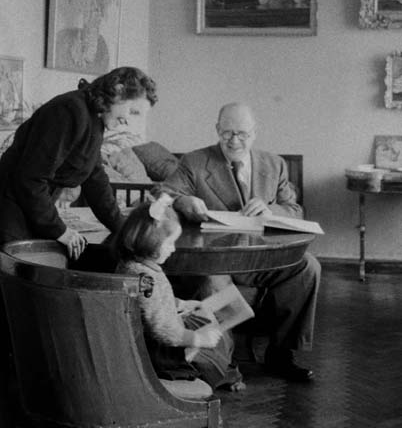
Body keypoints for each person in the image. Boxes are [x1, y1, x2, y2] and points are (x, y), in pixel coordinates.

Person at [158, 102, 321, 382]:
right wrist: (184, 201)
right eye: (227, 133)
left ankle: (281, 354)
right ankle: (222, 363)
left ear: (254, 133)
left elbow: (294, 210)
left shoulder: (275, 164)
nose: (234, 141)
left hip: (259, 258)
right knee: (212, 281)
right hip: (215, 260)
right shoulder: (195, 162)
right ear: (217, 129)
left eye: (242, 134)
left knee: (308, 267)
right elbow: (164, 194)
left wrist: (271, 211)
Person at [0, 66, 157, 260]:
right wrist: (59, 230)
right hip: (10, 206)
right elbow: (31, 178)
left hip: (30, 205)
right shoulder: (69, 110)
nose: (129, 121)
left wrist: (122, 227)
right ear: (118, 90)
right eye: (133, 111)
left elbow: (94, 177)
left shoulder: (95, 117)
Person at [113, 196, 244, 390]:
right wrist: (197, 339)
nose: (173, 249)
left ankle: (224, 369)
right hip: (161, 353)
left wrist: (180, 304)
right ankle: (222, 373)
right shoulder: (145, 278)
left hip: (155, 339)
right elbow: (162, 329)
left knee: (209, 325)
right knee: (213, 337)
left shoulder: (133, 267)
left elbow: (145, 302)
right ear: (150, 242)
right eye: (169, 243)